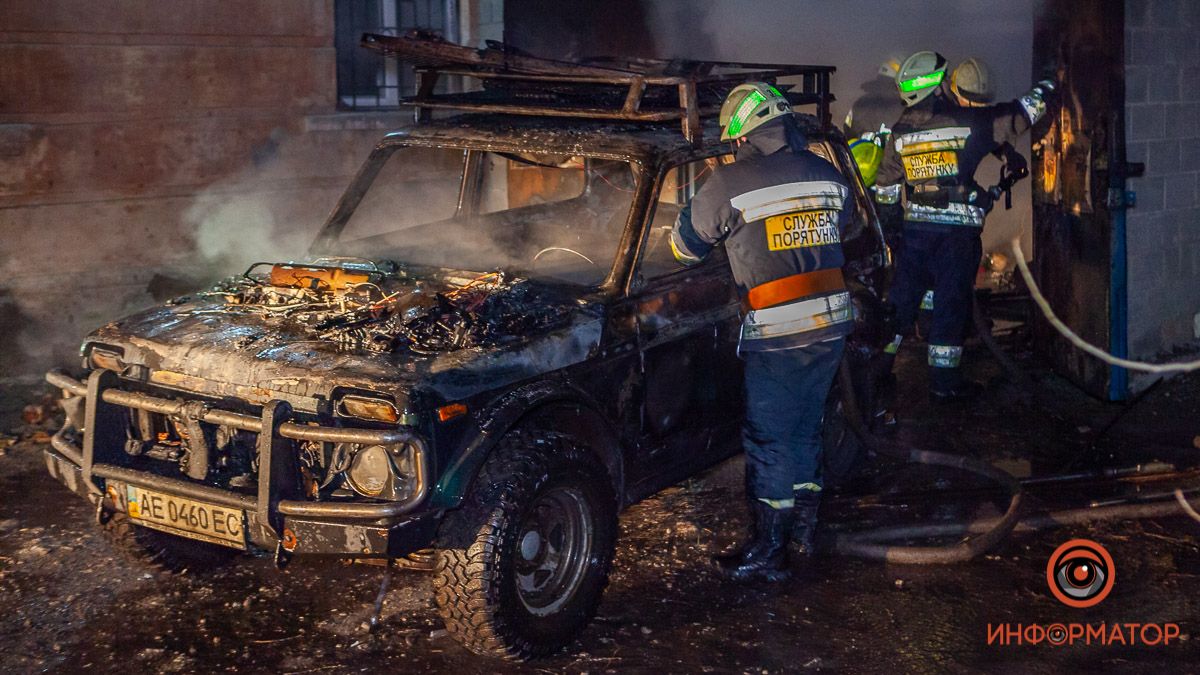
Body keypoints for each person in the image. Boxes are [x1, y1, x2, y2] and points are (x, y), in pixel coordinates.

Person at [670, 83, 855, 582]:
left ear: (741, 135)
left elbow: (684, 250)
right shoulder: (824, 171)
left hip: (779, 333)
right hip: (831, 323)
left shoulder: (728, 183)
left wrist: (705, 197)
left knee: (770, 437)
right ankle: (804, 534)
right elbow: (848, 227)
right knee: (805, 427)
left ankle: (768, 552)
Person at [875, 51, 1054, 403]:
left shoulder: (902, 130)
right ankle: (944, 384)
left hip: (915, 237)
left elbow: (885, 188)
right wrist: (1050, 85)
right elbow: (1020, 115)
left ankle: (876, 372)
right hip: (956, 239)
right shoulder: (967, 120)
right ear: (939, 85)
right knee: (950, 306)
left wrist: (894, 230)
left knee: (900, 304)